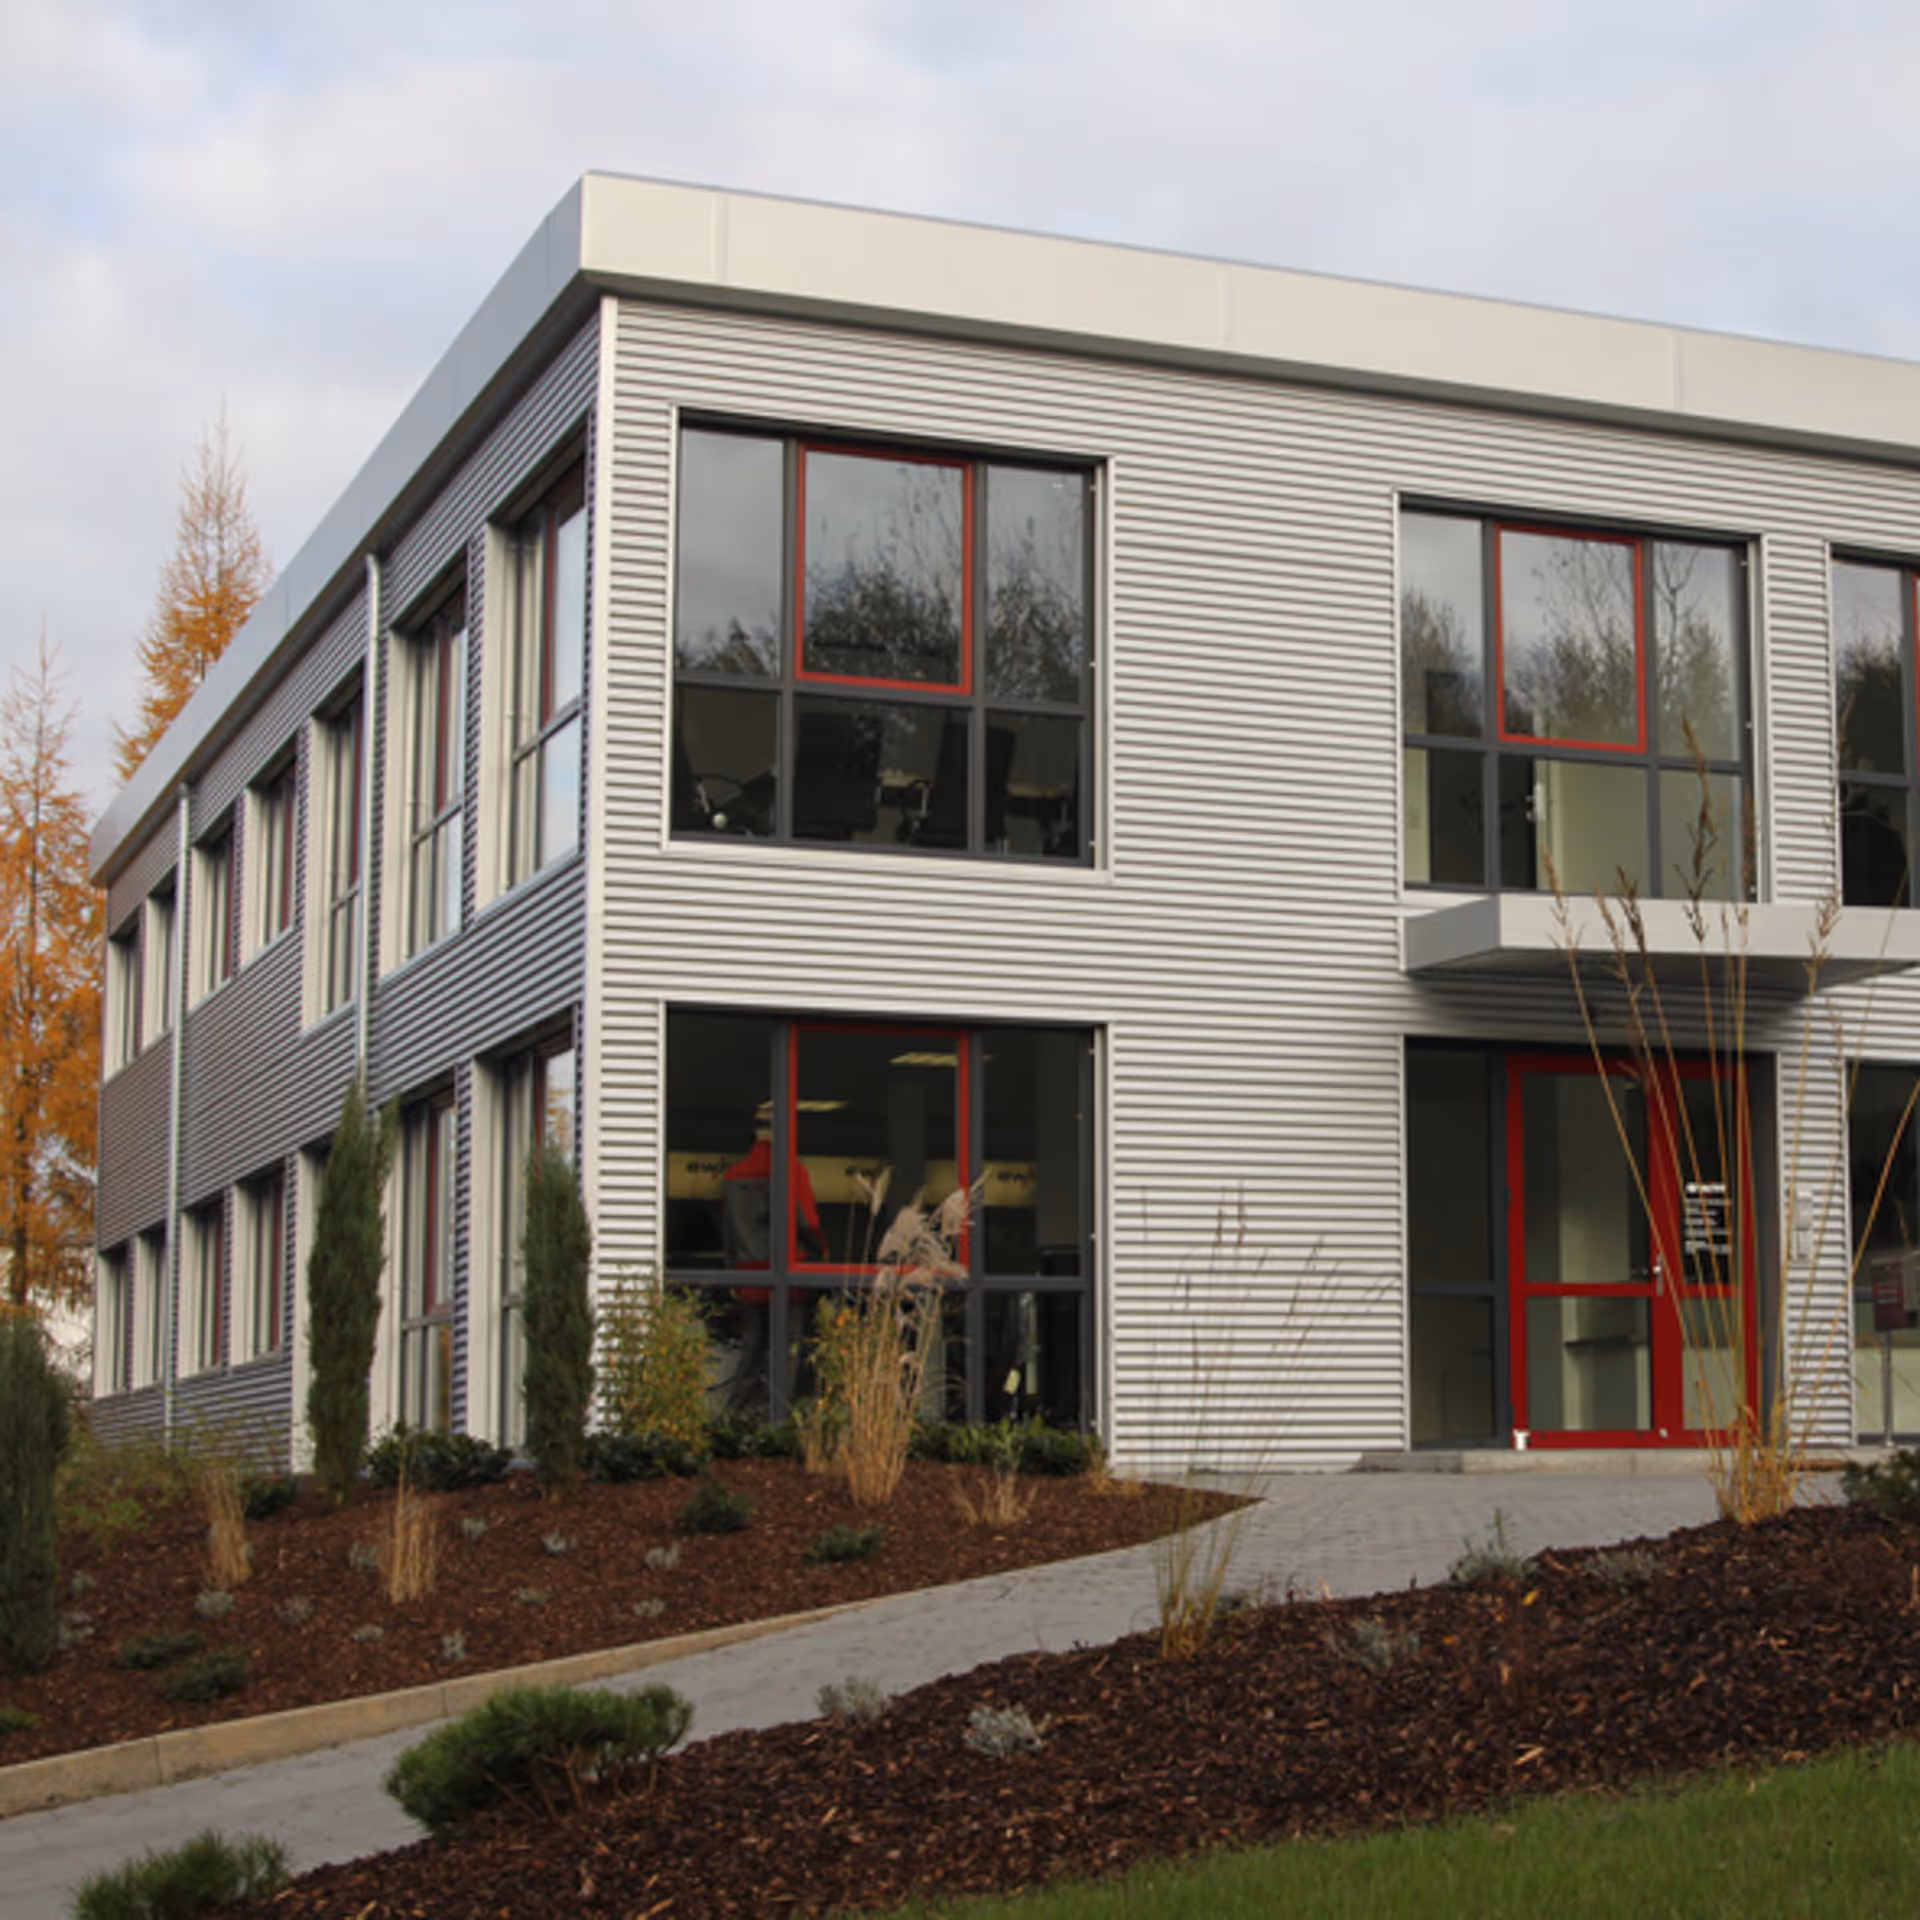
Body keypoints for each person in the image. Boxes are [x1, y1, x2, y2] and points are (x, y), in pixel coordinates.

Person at [718, 1109, 829, 1409]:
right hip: (788, 1279)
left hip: (748, 1279)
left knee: (752, 1353)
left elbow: (727, 1234)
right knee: (789, 1352)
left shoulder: (733, 1176)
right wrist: (821, 1254)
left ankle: (736, 1417)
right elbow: (807, 1222)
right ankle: (781, 1420)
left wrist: (734, 1274)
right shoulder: (791, 1170)